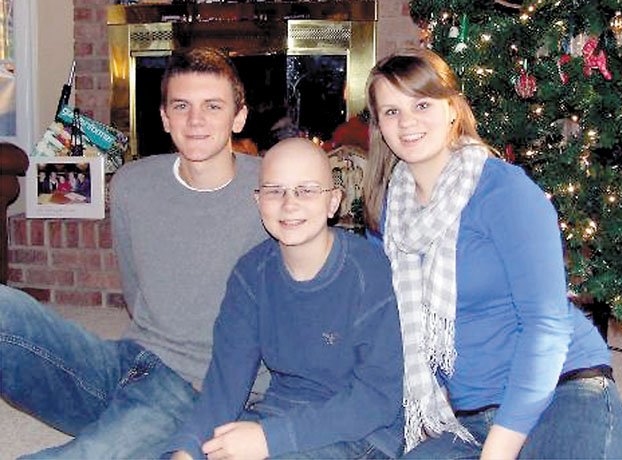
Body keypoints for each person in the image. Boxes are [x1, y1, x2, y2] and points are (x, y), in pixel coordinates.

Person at [362, 48, 622, 459]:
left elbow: (546, 324)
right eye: (391, 112)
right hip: (466, 416)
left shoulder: (503, 190)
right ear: (379, 125)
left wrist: (499, 449)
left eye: (421, 103)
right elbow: (382, 326)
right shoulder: (389, 212)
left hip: (561, 388)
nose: (407, 122)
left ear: (453, 108)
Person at [0, 46, 268, 459]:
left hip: (195, 388)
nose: (195, 120)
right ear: (164, 117)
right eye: (182, 106)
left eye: (212, 106)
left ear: (239, 116)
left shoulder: (273, 190)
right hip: (127, 363)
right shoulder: (131, 184)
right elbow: (135, 288)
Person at [165, 137, 404, 460]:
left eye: (306, 190)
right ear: (258, 200)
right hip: (278, 412)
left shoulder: (369, 273)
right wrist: (189, 448)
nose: (289, 204)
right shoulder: (251, 273)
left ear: (333, 201)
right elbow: (226, 382)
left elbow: (377, 399)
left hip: (363, 434)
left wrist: (270, 439)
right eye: (275, 190)